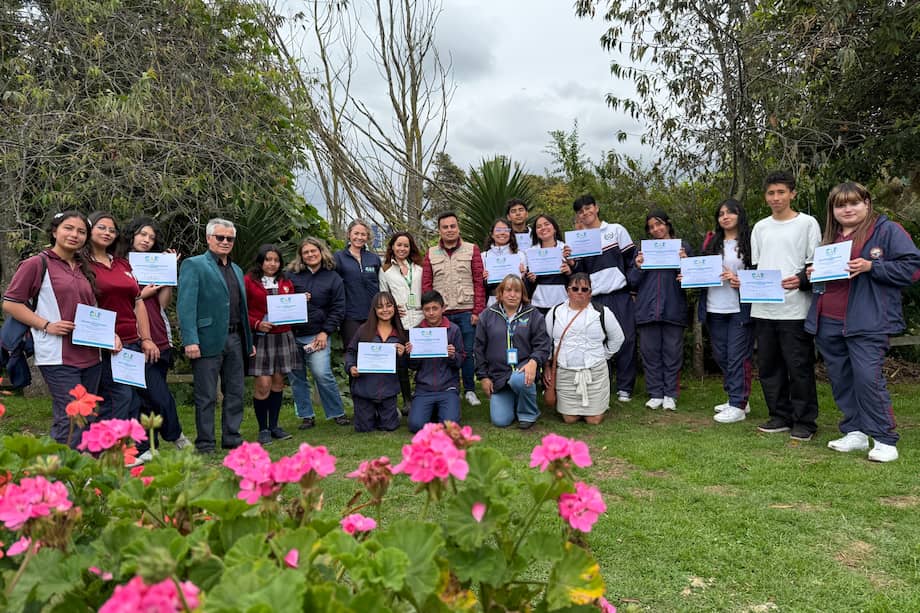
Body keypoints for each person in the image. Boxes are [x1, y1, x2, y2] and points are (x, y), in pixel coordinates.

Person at [805, 182, 920, 462]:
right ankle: (854, 431)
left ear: (867, 204)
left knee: (868, 378)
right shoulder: (830, 237)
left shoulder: (887, 230)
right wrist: (812, 274)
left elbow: (913, 269)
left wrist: (872, 267)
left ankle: (884, 438)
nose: (847, 209)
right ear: (833, 210)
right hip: (828, 319)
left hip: (867, 320)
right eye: (840, 205)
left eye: (853, 203)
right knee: (842, 378)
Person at [3, 211, 102, 447]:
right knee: (71, 416)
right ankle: (57, 477)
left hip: (91, 355)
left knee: (86, 415)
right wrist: (47, 325)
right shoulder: (37, 263)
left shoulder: (83, 267)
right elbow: (11, 303)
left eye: (81, 231)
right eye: (68, 228)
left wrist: (110, 335)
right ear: (55, 231)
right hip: (58, 355)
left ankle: (78, 475)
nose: (74, 235)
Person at [750, 171, 821, 441]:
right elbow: (758, 265)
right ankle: (779, 415)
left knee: (798, 366)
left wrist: (801, 280)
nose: (776, 198)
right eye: (771, 193)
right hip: (763, 308)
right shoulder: (760, 227)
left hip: (794, 308)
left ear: (792, 193)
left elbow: (814, 264)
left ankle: (805, 421)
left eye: (781, 192)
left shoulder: (807, 223)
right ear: (765, 196)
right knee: (769, 366)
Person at [177, 218, 254, 454]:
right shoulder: (194, 265)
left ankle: (231, 437)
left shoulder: (237, 269)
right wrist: (190, 340)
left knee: (235, 392)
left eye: (229, 238)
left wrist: (248, 342)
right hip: (206, 339)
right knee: (206, 395)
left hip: (235, 338)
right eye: (220, 237)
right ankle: (206, 443)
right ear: (209, 238)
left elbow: (242, 308)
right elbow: (186, 305)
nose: (225, 242)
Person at [115, 217, 191, 451]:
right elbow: (120, 300)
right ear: (131, 235)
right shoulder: (117, 264)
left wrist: (168, 274)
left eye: (151, 237)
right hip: (129, 338)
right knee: (142, 395)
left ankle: (162, 440)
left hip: (158, 335)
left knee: (157, 392)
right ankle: (155, 443)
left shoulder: (153, 263)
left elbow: (163, 303)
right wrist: (142, 293)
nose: (147, 240)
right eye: (142, 235)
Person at [85, 212, 157, 425]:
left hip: (131, 343)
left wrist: (146, 338)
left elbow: (137, 302)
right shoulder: (81, 264)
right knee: (118, 397)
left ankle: (125, 449)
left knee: (132, 399)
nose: (107, 232)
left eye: (112, 230)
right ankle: (103, 449)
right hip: (106, 344)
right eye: (101, 227)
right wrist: (106, 336)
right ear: (88, 229)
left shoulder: (122, 264)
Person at [571, 194, 637, 402]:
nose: (585, 213)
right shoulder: (578, 240)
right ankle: (603, 384)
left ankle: (625, 387)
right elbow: (579, 272)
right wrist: (573, 256)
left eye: (588, 208)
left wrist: (633, 289)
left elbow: (631, 261)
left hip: (620, 295)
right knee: (598, 342)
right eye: (581, 211)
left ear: (596, 208)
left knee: (626, 339)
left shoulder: (616, 230)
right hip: (595, 298)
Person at [699, 200, 755, 424]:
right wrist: (689, 275)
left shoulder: (750, 241)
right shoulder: (713, 242)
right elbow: (701, 270)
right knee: (722, 355)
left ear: (740, 215)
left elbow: (760, 273)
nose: (725, 216)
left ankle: (737, 404)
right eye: (721, 213)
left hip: (739, 308)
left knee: (738, 357)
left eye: (730, 212)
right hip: (714, 307)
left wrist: (739, 279)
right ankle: (738, 397)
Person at [422, 211, 486, 406]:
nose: (449, 230)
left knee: (467, 353)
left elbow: (478, 281)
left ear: (458, 228)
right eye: (445, 227)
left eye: (452, 226)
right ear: (439, 230)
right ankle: (451, 389)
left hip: (466, 310)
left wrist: (477, 311)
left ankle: (469, 390)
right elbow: (426, 284)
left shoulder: (471, 249)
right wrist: (430, 312)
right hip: (442, 314)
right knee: (444, 353)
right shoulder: (431, 253)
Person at [286, 237, 351, 429]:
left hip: (317, 334)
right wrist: (295, 298)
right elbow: (280, 300)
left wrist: (325, 332)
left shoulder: (333, 278)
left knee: (321, 373)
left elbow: (338, 308)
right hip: (291, 334)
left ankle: (337, 412)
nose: (310, 255)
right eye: (306, 252)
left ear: (321, 252)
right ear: (301, 256)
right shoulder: (291, 275)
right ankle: (306, 415)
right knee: (296, 377)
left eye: (313, 251)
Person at [630, 209, 691, 411]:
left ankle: (670, 394)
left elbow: (692, 282)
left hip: (673, 308)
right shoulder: (642, 251)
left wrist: (684, 264)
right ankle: (655, 393)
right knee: (650, 353)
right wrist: (638, 266)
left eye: (659, 224)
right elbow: (632, 281)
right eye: (651, 227)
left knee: (672, 353)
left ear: (667, 223)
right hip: (647, 309)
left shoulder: (683, 247)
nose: (656, 229)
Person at [545, 273, 624, 424]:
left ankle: (593, 408)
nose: (579, 292)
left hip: (594, 373)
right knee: (569, 419)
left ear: (590, 292)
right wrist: (548, 364)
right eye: (575, 288)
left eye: (584, 289)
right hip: (566, 373)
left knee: (594, 420)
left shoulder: (602, 312)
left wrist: (603, 355)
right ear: (568, 291)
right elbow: (547, 341)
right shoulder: (555, 313)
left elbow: (618, 338)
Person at [474, 275, 551, 429]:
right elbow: (479, 349)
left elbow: (543, 345)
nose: (512, 295)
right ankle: (516, 399)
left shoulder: (533, 315)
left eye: (517, 291)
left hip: (524, 371)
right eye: (508, 290)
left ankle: (529, 413)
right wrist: (483, 377)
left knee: (518, 379)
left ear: (522, 294)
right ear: (500, 293)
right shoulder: (487, 316)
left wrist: (534, 361)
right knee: (500, 421)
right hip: (499, 376)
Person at [244, 244, 298, 445]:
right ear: (261, 261)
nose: (272, 263)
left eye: (276, 260)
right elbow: (242, 311)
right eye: (268, 259)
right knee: (263, 384)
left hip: (282, 336)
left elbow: (292, 309)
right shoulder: (249, 281)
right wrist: (257, 323)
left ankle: (274, 426)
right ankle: (263, 428)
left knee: (277, 382)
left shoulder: (285, 282)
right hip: (261, 337)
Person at [344, 292, 406, 432]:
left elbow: (405, 367)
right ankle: (368, 413)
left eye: (389, 306)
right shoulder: (364, 330)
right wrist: (351, 366)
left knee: (389, 427)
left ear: (394, 308)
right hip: (364, 389)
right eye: (380, 307)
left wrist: (402, 355)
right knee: (364, 429)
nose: (385, 310)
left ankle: (390, 412)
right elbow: (351, 352)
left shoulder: (399, 333)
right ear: (374, 310)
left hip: (388, 390)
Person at [405, 290, 465, 432]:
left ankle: (442, 411)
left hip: (448, 388)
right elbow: (413, 367)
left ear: (443, 308)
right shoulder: (417, 332)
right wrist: (410, 354)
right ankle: (432, 411)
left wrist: (452, 356)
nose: (431, 313)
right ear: (422, 311)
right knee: (416, 426)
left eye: (435, 308)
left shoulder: (453, 330)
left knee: (450, 426)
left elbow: (461, 361)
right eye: (427, 309)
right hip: (424, 389)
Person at [378, 231, 424, 410]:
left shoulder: (420, 267)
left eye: (406, 245)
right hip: (400, 322)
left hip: (420, 320)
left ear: (411, 247)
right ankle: (407, 400)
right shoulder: (385, 270)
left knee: (421, 361)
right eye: (399, 245)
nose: (402, 249)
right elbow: (383, 295)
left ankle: (422, 394)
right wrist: (394, 309)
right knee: (402, 361)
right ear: (392, 247)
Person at [335, 219, 381, 348]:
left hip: (373, 315)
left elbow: (381, 285)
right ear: (349, 234)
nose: (359, 237)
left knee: (374, 352)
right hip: (350, 316)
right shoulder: (338, 258)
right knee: (353, 353)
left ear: (367, 237)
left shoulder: (374, 258)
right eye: (356, 233)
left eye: (363, 234)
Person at [524, 214, 573, 314]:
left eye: (546, 224)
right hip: (538, 306)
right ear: (536, 232)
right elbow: (526, 287)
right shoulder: (530, 253)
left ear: (554, 228)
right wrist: (530, 279)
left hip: (563, 304)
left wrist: (569, 272)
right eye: (539, 227)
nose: (543, 228)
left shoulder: (566, 249)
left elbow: (579, 277)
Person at [481, 218, 526, 308]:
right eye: (498, 230)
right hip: (492, 303)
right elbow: (479, 286)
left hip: (515, 303)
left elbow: (524, 285)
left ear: (510, 233)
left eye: (506, 230)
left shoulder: (519, 255)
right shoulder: (483, 256)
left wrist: (522, 275)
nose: (502, 233)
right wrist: (483, 278)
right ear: (492, 234)